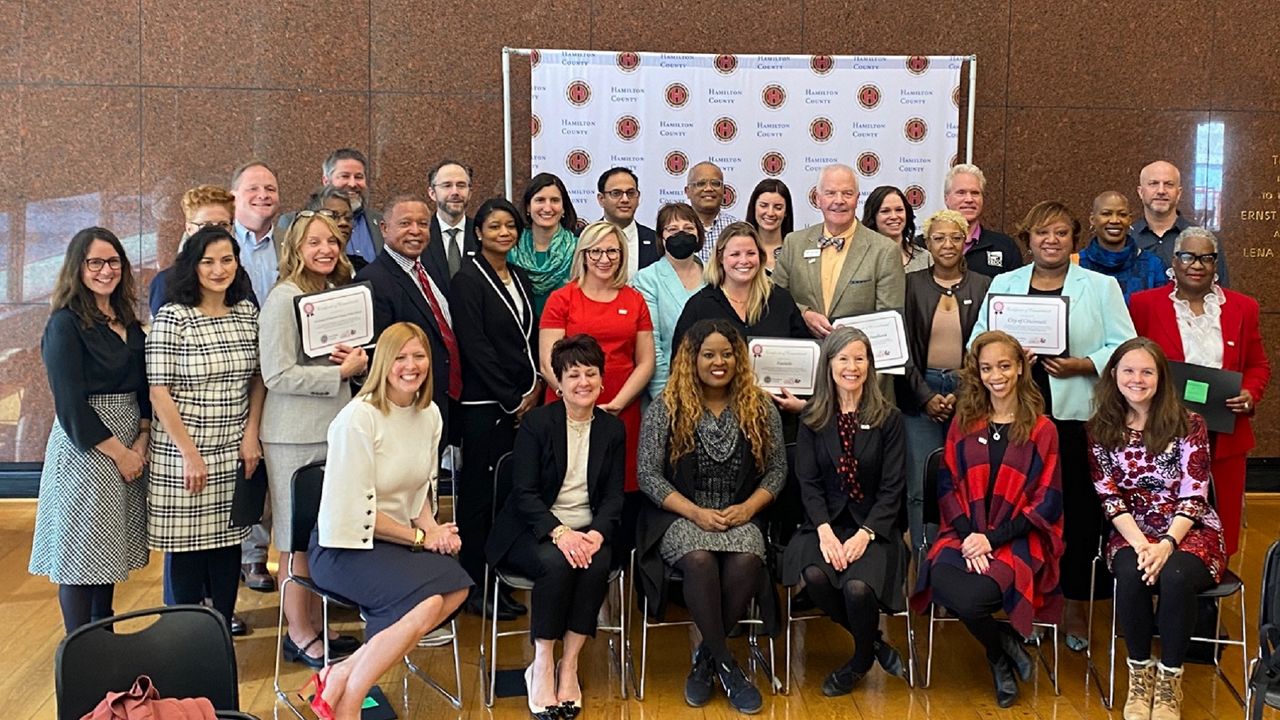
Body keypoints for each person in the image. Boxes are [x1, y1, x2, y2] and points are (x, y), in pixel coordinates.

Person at [971, 201, 1136, 650]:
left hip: (1075, 420)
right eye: (1042, 233)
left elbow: (1125, 347)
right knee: (1019, 512)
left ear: (1074, 239)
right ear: (1028, 238)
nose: (1051, 241)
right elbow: (976, 343)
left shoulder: (1100, 288)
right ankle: (1023, 600)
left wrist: (1085, 363)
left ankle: (1074, 607)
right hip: (1015, 420)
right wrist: (1006, 356)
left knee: (1079, 515)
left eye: (1061, 233)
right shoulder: (1004, 285)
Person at [305, 322, 472, 720]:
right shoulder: (357, 419)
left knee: (457, 589)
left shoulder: (428, 414)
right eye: (400, 357)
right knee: (429, 599)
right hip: (343, 546)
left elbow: (420, 494)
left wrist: (433, 529)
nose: (411, 366)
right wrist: (420, 538)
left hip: (396, 542)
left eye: (419, 356)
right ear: (382, 363)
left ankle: (342, 673)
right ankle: (352, 697)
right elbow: (355, 512)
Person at [636, 318, 786, 715]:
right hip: (679, 515)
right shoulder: (667, 406)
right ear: (692, 359)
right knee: (700, 560)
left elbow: (776, 471)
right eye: (709, 354)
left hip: (741, 513)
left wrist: (750, 507)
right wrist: (694, 512)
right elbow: (647, 475)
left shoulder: (760, 406)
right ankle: (728, 666)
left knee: (749, 559)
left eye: (727, 353)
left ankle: (705, 659)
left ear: (738, 358)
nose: (719, 362)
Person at [910, 330, 1064, 708]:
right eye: (986, 368)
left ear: (1019, 370)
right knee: (941, 580)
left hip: (1017, 539)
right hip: (963, 533)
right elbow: (947, 486)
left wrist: (991, 540)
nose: (996, 375)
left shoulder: (1043, 429)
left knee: (976, 597)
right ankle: (1002, 648)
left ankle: (999, 657)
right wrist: (968, 536)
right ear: (977, 373)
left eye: (1004, 366)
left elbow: (1046, 502)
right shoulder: (965, 422)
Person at [486, 335, 626, 720]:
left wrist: (596, 533)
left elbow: (614, 496)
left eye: (591, 374)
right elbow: (524, 493)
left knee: (596, 564)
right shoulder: (537, 423)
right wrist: (561, 533)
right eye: (573, 375)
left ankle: (571, 665)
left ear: (602, 380)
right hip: (533, 530)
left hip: (588, 530)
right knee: (557, 563)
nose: (583, 382)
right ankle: (543, 662)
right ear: (559, 383)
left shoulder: (612, 429)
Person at [1086, 338, 1227, 720]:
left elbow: (1194, 494)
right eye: (1128, 370)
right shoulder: (1100, 428)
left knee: (1177, 575)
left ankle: (1169, 680)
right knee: (1131, 572)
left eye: (1147, 371)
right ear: (1113, 375)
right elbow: (1109, 497)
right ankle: (1139, 674)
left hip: (1189, 528)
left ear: (1161, 377)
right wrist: (1144, 545)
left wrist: (1165, 544)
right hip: (1131, 528)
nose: (1137, 379)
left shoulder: (1189, 423)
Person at [259, 211, 367, 667]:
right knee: (293, 540)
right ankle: (298, 634)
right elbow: (276, 373)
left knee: (318, 538)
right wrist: (338, 373)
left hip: (331, 431)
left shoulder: (327, 293)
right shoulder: (283, 299)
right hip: (293, 439)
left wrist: (355, 360)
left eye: (332, 242)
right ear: (294, 249)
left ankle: (315, 623)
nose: (326, 250)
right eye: (314, 243)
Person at [29, 227, 150, 633]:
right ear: (77, 268)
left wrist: (143, 437)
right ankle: (78, 649)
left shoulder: (129, 322)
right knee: (82, 555)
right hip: (89, 449)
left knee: (106, 553)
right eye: (95, 262)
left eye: (113, 261)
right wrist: (121, 453)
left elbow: (144, 387)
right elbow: (70, 405)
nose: (105, 270)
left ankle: (105, 641)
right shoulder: (65, 324)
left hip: (131, 440)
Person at [146, 226, 265, 626]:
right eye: (208, 262)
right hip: (184, 454)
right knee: (188, 552)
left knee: (229, 546)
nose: (218, 270)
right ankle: (186, 640)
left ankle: (219, 637)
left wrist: (251, 435)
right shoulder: (173, 316)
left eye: (227, 260)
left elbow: (258, 378)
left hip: (233, 447)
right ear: (192, 265)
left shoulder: (247, 311)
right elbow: (158, 391)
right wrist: (190, 454)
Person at [781, 327, 909, 696]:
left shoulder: (889, 419)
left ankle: (860, 660)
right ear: (829, 365)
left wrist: (865, 534)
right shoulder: (813, 418)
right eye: (843, 359)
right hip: (824, 524)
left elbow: (892, 488)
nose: (851, 367)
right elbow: (809, 484)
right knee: (816, 577)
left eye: (859, 358)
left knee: (856, 587)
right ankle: (875, 643)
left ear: (870, 364)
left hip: (874, 527)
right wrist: (823, 530)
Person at [1129, 227, 1270, 557]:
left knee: (1222, 523)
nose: (1197, 264)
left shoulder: (1242, 308)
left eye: (1206, 257)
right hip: (1162, 433)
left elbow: (1258, 365)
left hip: (1225, 435)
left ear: (1216, 264)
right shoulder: (1144, 304)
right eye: (1188, 256)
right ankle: (1166, 585)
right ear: (1174, 262)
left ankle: (1211, 595)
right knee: (1164, 520)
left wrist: (1250, 392)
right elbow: (1130, 362)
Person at [540, 221, 654, 567]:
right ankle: (568, 558)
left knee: (617, 489)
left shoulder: (634, 299)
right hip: (567, 409)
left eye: (613, 251)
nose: (604, 259)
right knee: (566, 482)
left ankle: (612, 566)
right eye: (596, 251)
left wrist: (618, 403)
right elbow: (548, 360)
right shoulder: (562, 298)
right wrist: (574, 399)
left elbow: (646, 361)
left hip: (622, 409)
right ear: (584, 254)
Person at [451, 197, 541, 619]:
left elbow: (527, 337)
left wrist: (534, 388)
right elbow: (476, 346)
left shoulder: (518, 275)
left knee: (505, 495)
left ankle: (498, 581)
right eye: (494, 227)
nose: (503, 233)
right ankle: (473, 587)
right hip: (486, 404)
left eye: (510, 227)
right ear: (478, 232)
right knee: (477, 498)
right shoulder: (467, 278)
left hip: (521, 399)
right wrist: (510, 398)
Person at [900, 210, 991, 550]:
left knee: (968, 482)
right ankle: (923, 564)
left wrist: (964, 391)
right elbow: (903, 347)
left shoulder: (984, 285)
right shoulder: (911, 284)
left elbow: (987, 345)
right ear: (928, 243)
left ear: (966, 241)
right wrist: (925, 396)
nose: (948, 245)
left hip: (969, 394)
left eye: (955, 237)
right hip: (920, 394)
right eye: (939, 238)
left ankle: (962, 559)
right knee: (919, 487)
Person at [355, 195, 461, 445]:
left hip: (436, 403)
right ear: (384, 228)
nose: (415, 231)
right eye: (405, 224)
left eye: (423, 224)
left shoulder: (428, 270)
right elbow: (377, 356)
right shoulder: (371, 281)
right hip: (401, 411)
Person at [672, 222, 808, 413]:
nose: (744, 261)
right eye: (735, 254)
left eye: (750, 254)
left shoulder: (781, 301)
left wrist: (800, 401)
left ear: (760, 257)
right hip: (715, 419)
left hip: (777, 415)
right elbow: (680, 367)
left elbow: (806, 357)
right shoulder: (700, 306)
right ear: (720, 258)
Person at [773, 164, 904, 341]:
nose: (839, 200)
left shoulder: (884, 250)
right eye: (830, 193)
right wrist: (804, 313)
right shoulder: (794, 243)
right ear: (818, 199)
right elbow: (774, 299)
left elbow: (889, 320)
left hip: (857, 361)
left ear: (857, 199)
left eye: (847, 193)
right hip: (806, 355)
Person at [230, 161, 280, 596]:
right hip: (233, 367)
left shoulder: (287, 244)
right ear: (235, 197)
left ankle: (259, 551)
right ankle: (245, 557)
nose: (263, 194)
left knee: (265, 461)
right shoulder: (221, 244)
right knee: (239, 466)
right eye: (253, 188)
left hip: (278, 368)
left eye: (270, 187)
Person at [632, 202, 705, 399]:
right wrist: (665, 397)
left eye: (688, 228)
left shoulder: (715, 276)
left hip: (714, 388)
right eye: (672, 229)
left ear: (698, 233)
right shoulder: (646, 279)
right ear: (661, 237)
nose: (681, 234)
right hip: (668, 390)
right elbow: (651, 343)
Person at [1132, 160, 1229, 286]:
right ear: (1140, 192)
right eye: (1153, 183)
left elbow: (1220, 292)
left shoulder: (1205, 240)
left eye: (1169, 184)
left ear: (1179, 193)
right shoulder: (1127, 238)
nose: (1161, 191)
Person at [149, 185, 239, 318]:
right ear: (189, 228)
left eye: (223, 225)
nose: (214, 233)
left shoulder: (239, 278)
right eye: (206, 226)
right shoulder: (165, 283)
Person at [510, 172, 580, 318]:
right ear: (528, 207)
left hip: (567, 335)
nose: (547, 208)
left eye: (554, 200)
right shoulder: (511, 249)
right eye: (540, 200)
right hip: (519, 334)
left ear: (564, 208)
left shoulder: (579, 249)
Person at [1078, 191, 1165, 303]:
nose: (1115, 220)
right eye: (1106, 214)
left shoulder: (1152, 264)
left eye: (1122, 214)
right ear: (1092, 220)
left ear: (1129, 220)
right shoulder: (1078, 264)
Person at [942, 164, 1023, 277]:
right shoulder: (925, 245)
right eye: (961, 193)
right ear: (946, 199)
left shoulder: (1005, 246)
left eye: (975, 193)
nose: (969, 199)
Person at [597, 166, 660, 276]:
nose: (625, 199)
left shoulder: (655, 240)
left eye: (631, 193)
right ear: (601, 199)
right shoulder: (581, 238)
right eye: (616, 193)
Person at [424, 160, 477, 289]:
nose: (455, 192)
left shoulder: (482, 234)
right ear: (432, 193)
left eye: (461, 185)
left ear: (470, 193)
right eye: (447, 185)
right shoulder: (420, 235)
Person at [863, 185, 929, 274]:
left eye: (899, 210)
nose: (894, 216)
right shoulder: (861, 259)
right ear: (873, 216)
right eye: (885, 211)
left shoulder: (925, 258)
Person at [685, 162, 741, 263]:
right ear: (688, 191)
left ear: (724, 190)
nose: (709, 189)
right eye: (701, 183)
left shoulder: (737, 228)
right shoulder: (677, 229)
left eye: (715, 183)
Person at [745, 178, 794, 274]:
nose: (770, 213)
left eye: (778, 207)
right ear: (754, 207)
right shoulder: (742, 249)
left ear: (786, 212)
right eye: (763, 206)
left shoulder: (796, 250)